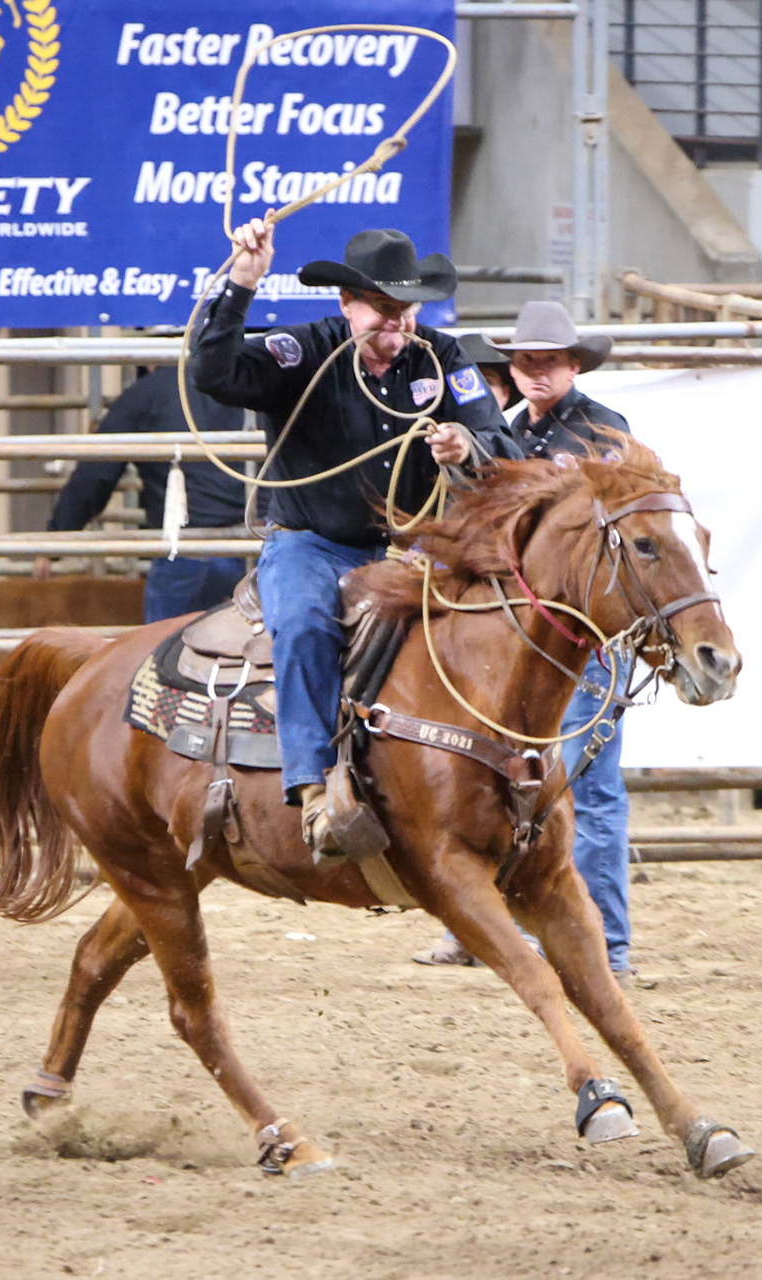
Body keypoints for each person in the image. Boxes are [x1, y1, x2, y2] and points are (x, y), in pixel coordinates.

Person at [191, 225, 520, 851]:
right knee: (307, 623)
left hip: (410, 545)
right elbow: (215, 372)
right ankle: (312, 785)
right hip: (310, 540)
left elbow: (498, 444)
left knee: (479, 626)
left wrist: (466, 445)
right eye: (382, 309)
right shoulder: (303, 351)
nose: (396, 325)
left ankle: (478, 780)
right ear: (347, 304)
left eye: (406, 311)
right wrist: (242, 285)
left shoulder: (443, 359)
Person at [413, 301, 639, 978]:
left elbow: (551, 491)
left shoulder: (601, 432)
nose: (535, 370)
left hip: (581, 640)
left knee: (577, 789)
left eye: (548, 359)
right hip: (531, 641)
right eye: (525, 360)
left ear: (573, 365)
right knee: (521, 786)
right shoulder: (519, 426)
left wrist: (477, 451)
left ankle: (602, 943)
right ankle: (499, 929)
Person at [34, 365, 256, 621]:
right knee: (259, 649)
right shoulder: (250, 383)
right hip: (254, 546)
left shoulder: (146, 393)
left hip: (184, 549)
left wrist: (55, 540)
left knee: (165, 651)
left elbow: (96, 475)